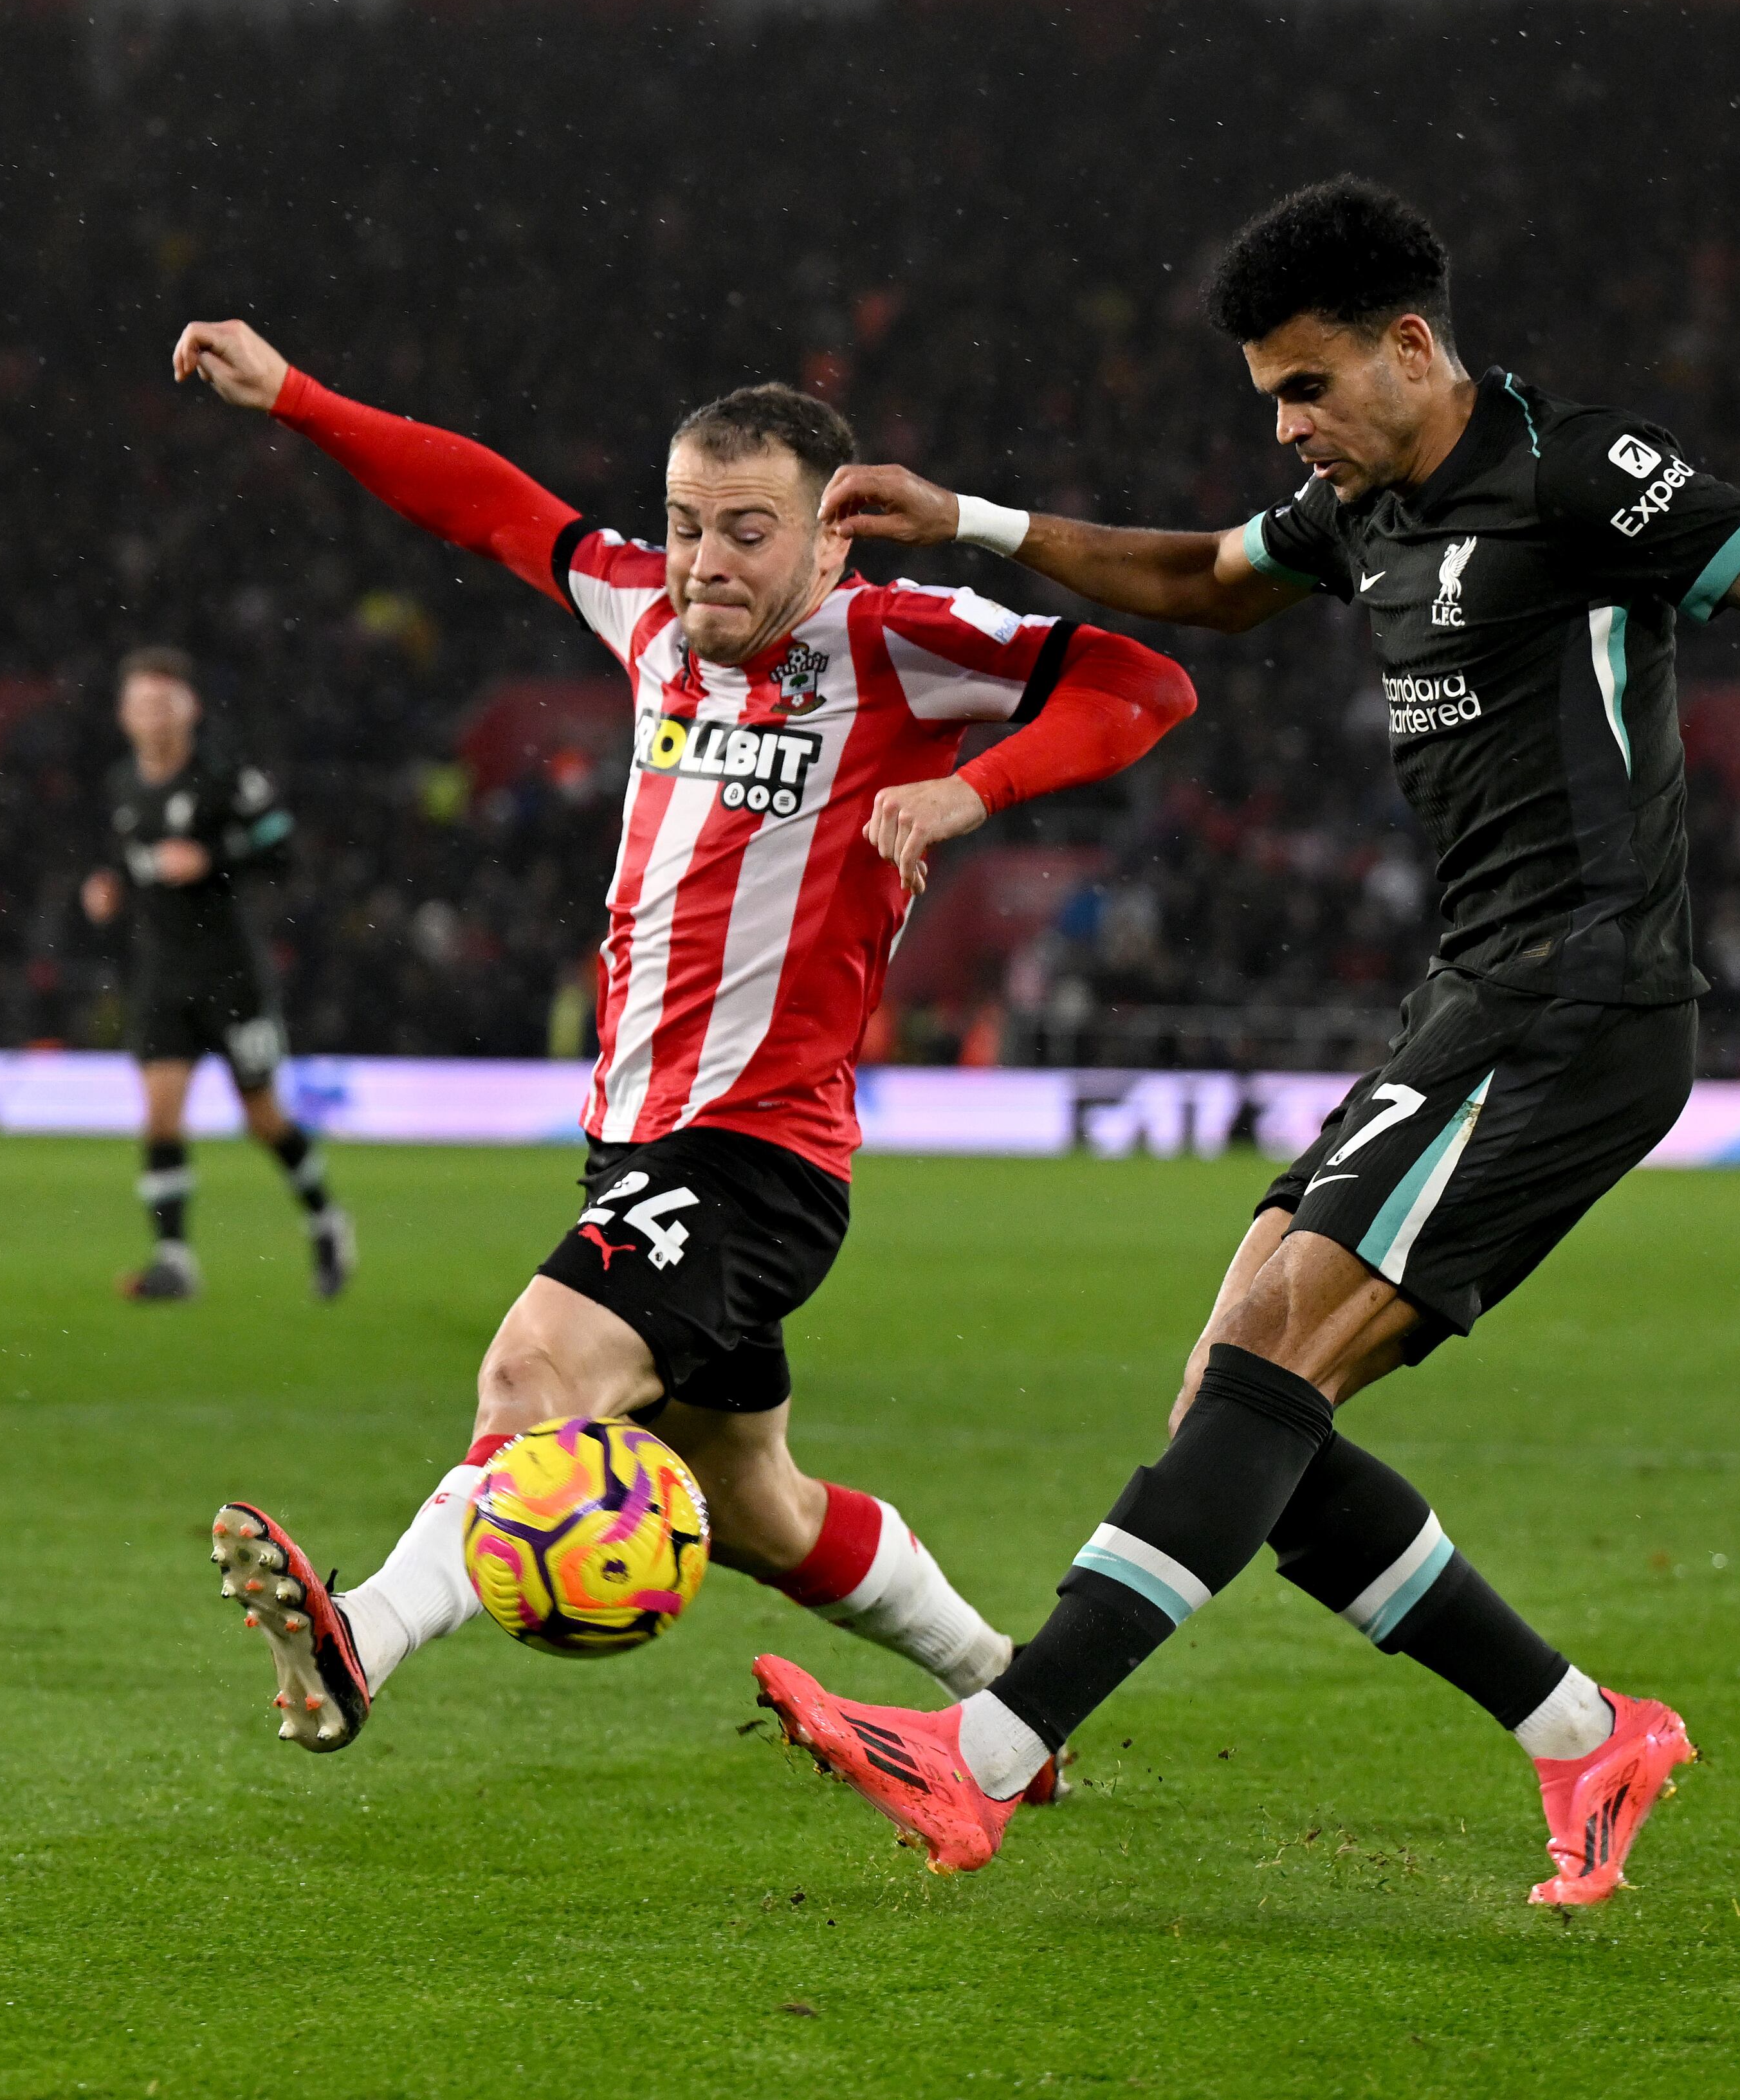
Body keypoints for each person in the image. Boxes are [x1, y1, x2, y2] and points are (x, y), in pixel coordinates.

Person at [766, 176, 1740, 1899]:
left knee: (1265, 1380)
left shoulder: (1576, 480)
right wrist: (972, 512)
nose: (1287, 424)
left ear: (1414, 345)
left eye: (1309, 384)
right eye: (1268, 394)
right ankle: (1584, 1733)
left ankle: (989, 1745)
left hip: (1583, 1001)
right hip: (1475, 993)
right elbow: (1199, 573)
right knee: (1232, 1404)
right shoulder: (1361, 512)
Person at [168, 316, 1198, 1757]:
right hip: (639, 1148)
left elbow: (1148, 687)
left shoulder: (892, 638)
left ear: (833, 543)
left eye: (748, 532)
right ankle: (1017, 1701)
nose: (706, 561)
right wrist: (298, 398)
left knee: (534, 1374)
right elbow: (491, 504)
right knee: (759, 1509)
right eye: (685, 524)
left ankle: (367, 1636)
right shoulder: (644, 609)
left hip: (757, 1151)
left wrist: (973, 794)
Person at [79, 649, 354, 1302]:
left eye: (164, 702)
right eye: (141, 704)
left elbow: (283, 849)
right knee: (159, 1114)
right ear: (124, 715)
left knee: (262, 1117)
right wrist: (108, 889)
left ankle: (325, 1219)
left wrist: (211, 856)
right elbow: (128, 862)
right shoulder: (122, 784)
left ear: (190, 708)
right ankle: (174, 1259)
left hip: (230, 974)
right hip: (162, 975)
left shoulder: (226, 778)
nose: (152, 715)